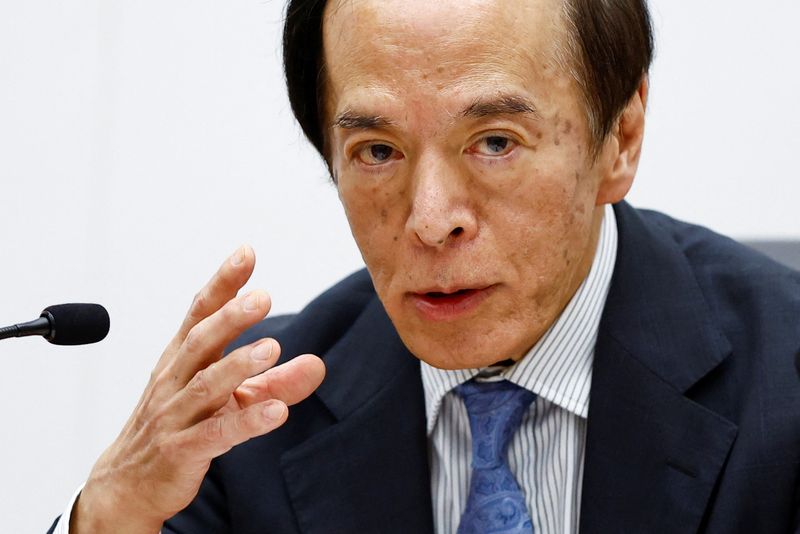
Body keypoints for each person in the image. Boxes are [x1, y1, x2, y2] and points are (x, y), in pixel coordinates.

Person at [50, 0, 800, 532]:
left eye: (496, 142)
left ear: (622, 140)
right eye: (378, 152)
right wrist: (108, 518)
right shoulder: (250, 424)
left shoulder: (787, 381)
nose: (431, 219)